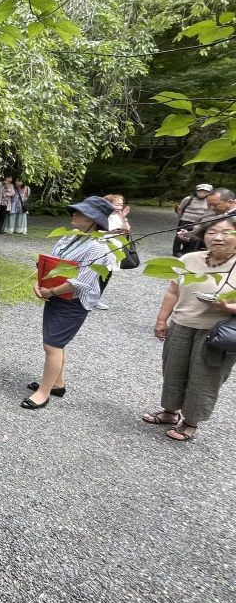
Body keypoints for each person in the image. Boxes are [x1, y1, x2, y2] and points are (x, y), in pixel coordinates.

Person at [143, 217, 236, 441]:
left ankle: (191, 421)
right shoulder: (189, 259)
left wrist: (227, 306)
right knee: (173, 370)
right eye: (212, 232)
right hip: (182, 325)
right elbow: (173, 291)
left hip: (217, 334)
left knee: (205, 377)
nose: (218, 237)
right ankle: (170, 412)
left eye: (227, 233)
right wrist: (162, 320)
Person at [23, 196, 117, 410]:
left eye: (81, 212)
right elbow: (51, 262)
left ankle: (43, 393)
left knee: (52, 345)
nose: (74, 213)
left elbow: (81, 282)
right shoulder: (71, 237)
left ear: (94, 220)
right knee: (56, 343)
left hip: (73, 301)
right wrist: (40, 285)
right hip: (56, 296)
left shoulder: (99, 248)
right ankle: (57, 384)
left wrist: (51, 290)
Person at [92, 194, 131, 311]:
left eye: (121, 204)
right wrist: (110, 232)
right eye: (116, 204)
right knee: (94, 273)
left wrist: (124, 217)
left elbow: (127, 231)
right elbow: (94, 233)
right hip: (101, 247)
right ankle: (86, 298)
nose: (119, 207)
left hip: (115, 249)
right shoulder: (100, 216)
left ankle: (96, 299)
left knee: (107, 274)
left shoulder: (120, 216)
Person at [173, 184, 212, 257]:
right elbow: (180, 209)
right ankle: (176, 251)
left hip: (199, 222)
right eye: (200, 191)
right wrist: (181, 218)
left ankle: (187, 251)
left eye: (205, 192)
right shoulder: (188, 199)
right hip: (186, 220)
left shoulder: (209, 201)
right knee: (180, 235)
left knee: (193, 236)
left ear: (208, 193)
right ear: (197, 191)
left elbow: (209, 211)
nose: (202, 193)